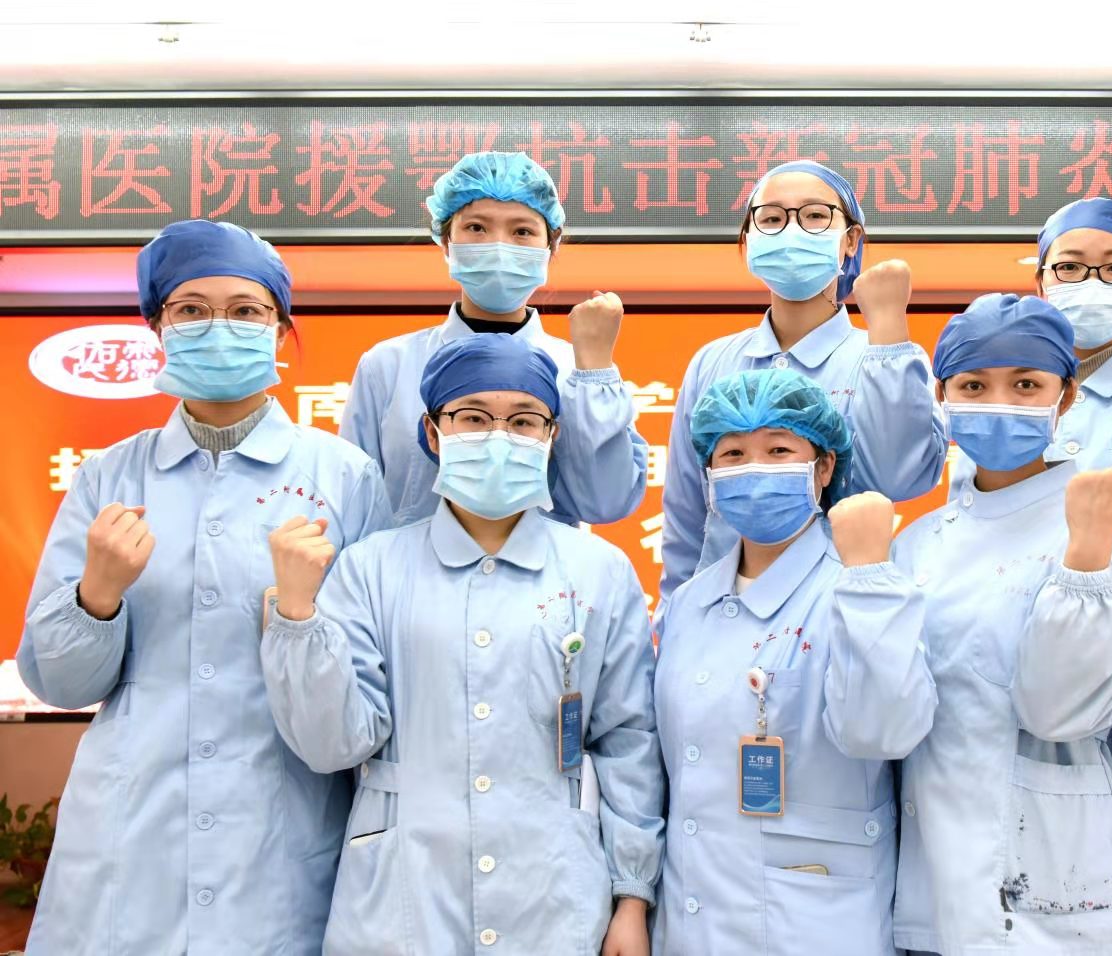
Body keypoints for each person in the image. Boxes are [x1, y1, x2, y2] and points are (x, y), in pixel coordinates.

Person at [18, 220, 391, 955]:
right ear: (158, 326)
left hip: (281, 835)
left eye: (246, 310)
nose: (219, 326)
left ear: (280, 329)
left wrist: (298, 616)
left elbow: (364, 706)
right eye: (191, 309)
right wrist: (97, 596)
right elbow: (59, 684)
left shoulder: (345, 478)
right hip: (131, 835)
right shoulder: (108, 476)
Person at [260, 334, 663, 955]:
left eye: (523, 421)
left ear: (552, 436)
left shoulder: (598, 571)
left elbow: (628, 740)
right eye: (473, 418)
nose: (499, 436)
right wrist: (296, 616)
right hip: (404, 895)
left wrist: (632, 895)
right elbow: (332, 744)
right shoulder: (371, 568)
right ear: (432, 431)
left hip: (554, 891)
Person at [830, 293, 1112, 953]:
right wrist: (867, 584)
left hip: (1062, 886)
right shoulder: (917, 544)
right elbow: (880, 728)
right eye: (974, 386)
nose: (1000, 401)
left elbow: (1062, 711)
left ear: (1066, 397)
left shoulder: (1105, 529)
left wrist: (1085, 555)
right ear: (942, 397)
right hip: (935, 889)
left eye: (1026, 384)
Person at [652, 368, 935, 954]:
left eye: (779, 450)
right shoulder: (688, 604)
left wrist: (869, 583)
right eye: (732, 454)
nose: (753, 469)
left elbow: (883, 732)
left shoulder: (859, 588)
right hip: (690, 919)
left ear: (824, 467)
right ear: (708, 474)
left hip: (815, 923)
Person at [659, 159, 945, 602]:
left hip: (841, 605)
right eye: (772, 218)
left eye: (814, 216)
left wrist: (889, 335)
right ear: (748, 240)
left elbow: (901, 478)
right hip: (722, 607)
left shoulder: (883, 358)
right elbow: (686, 513)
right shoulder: (712, 362)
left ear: (850, 240)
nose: (791, 231)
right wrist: (678, 612)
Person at [340, 150, 648, 528]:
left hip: (543, 566)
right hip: (403, 566)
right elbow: (351, 501)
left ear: (550, 247)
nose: (499, 246)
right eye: (476, 228)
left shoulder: (579, 369)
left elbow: (607, 503)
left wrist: (595, 372)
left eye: (522, 231)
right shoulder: (389, 365)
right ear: (446, 242)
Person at [952, 198, 1112, 516]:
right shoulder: (995, 390)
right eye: (1069, 267)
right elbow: (965, 507)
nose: (1092, 282)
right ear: (1040, 283)